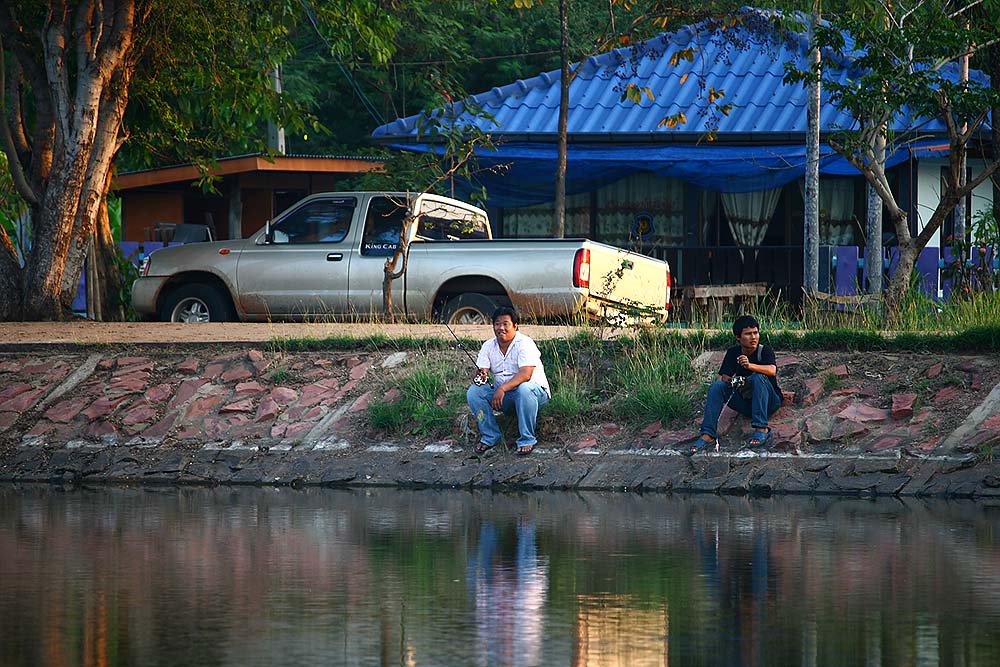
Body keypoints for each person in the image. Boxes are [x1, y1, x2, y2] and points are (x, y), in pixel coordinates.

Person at [690, 314, 782, 452]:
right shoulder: (733, 353)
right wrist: (735, 381)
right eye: (748, 334)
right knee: (717, 387)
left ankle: (761, 428)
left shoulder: (764, 350)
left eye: (756, 333)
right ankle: (708, 435)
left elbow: (772, 370)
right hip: (747, 404)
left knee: (758, 377)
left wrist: (749, 366)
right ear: (738, 337)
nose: (753, 337)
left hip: (769, 402)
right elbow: (724, 378)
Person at [466, 306, 550, 456]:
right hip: (505, 398)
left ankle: (527, 439)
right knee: (474, 392)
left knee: (524, 389)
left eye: (506, 324)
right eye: (497, 324)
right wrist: (481, 376)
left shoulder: (525, 343)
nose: (501, 328)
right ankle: (490, 436)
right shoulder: (488, 345)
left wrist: (502, 389)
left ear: (515, 326)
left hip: (534, 395)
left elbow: (526, 374)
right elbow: (480, 375)